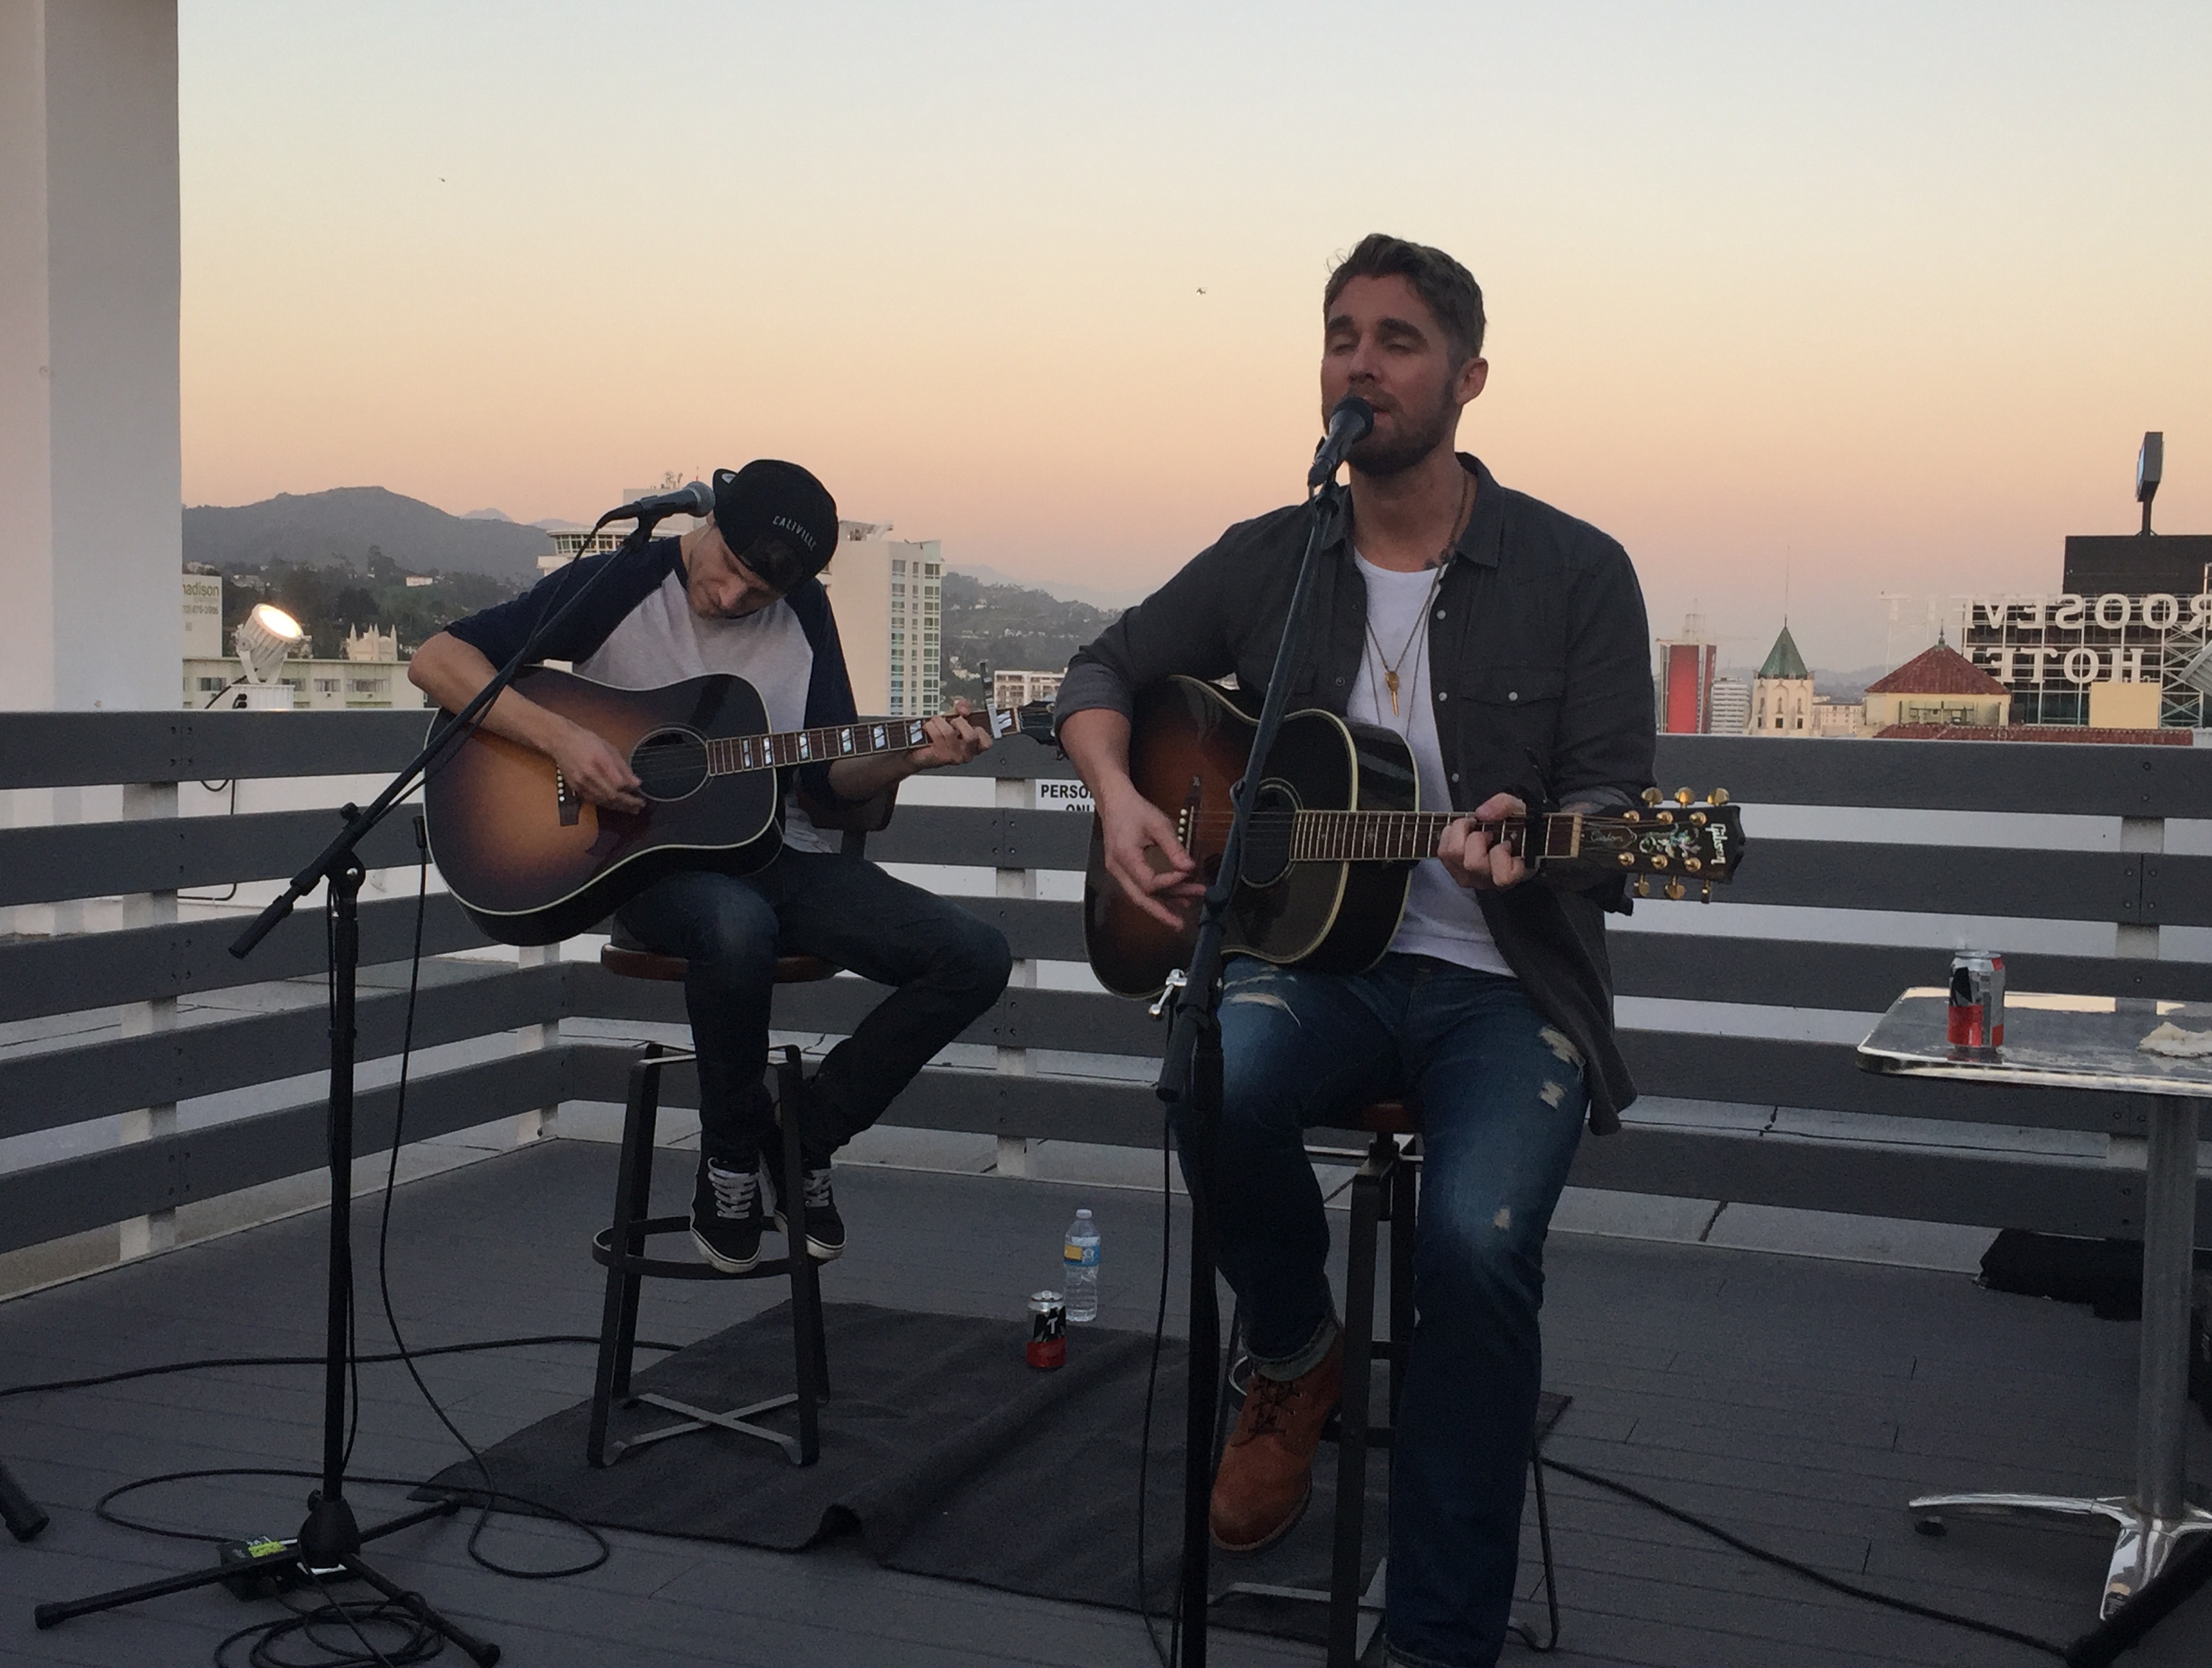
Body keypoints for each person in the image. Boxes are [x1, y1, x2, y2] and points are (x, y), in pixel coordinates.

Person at [1055, 235, 1654, 1667]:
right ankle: (1293, 1349)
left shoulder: (1576, 573)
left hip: (1508, 989)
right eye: (1340, 336)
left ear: (1469, 378)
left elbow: (1623, 814)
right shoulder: (1276, 558)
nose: (1359, 363)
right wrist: (1125, 796)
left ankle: (1440, 1639)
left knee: (1474, 1243)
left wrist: (1546, 832)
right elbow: (1099, 671)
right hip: (1317, 969)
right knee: (1209, 1073)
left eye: (1395, 339)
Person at [410, 461, 1011, 1272]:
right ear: (709, 521)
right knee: (736, 924)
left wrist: (911, 757)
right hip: (644, 868)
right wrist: (565, 741)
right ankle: (729, 1159)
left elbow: (827, 775)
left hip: (779, 856)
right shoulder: (620, 579)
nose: (731, 599)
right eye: (728, 567)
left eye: (756, 593)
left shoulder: (804, 610)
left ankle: (801, 1137)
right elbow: (439, 661)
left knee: (975, 955)